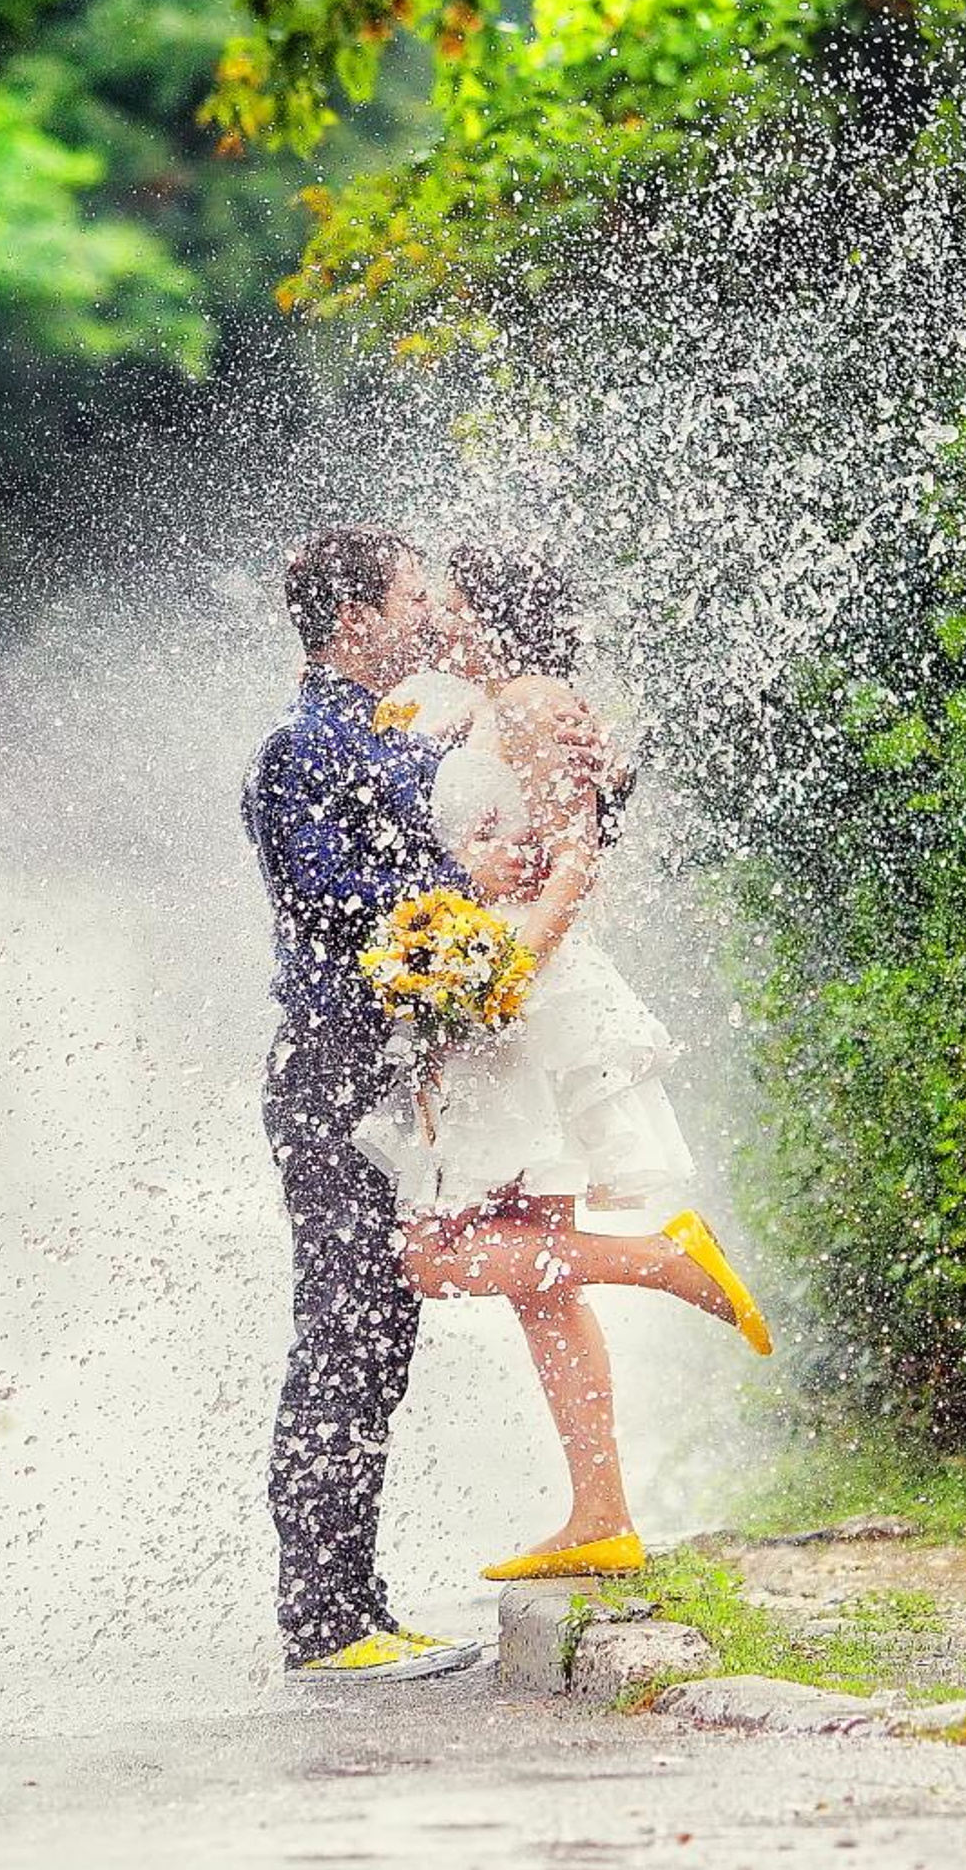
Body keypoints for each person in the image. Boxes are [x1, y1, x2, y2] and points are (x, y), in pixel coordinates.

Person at [353, 544, 772, 1586]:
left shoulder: (537, 703)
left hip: (525, 997)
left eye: (449, 602)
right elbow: (486, 818)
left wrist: (500, 969)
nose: (437, 619)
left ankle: (665, 1262)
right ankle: (602, 1515)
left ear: (491, 613)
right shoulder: (481, 703)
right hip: (496, 983)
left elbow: (576, 859)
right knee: (538, 1281)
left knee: (433, 1254)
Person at [242, 526, 610, 1682]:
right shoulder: (298, 749)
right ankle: (326, 1622)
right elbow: (335, 902)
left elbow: (495, 782)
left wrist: (571, 756)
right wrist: (464, 883)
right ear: (353, 620)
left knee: (382, 1333)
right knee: (344, 1330)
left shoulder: (402, 730)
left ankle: (363, 1603)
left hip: (405, 1070)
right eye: (410, 597)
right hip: (332, 1068)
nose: (430, 614)